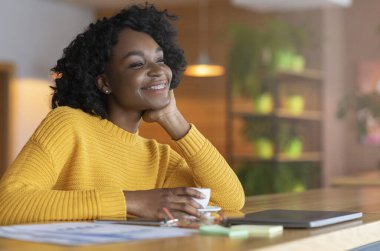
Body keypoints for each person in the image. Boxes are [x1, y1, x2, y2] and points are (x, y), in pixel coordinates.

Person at [0, 3, 244, 225]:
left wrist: (174, 119)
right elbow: (7, 205)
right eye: (137, 64)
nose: (157, 71)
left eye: (159, 60)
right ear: (105, 82)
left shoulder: (159, 159)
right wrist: (132, 202)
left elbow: (232, 201)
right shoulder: (69, 125)